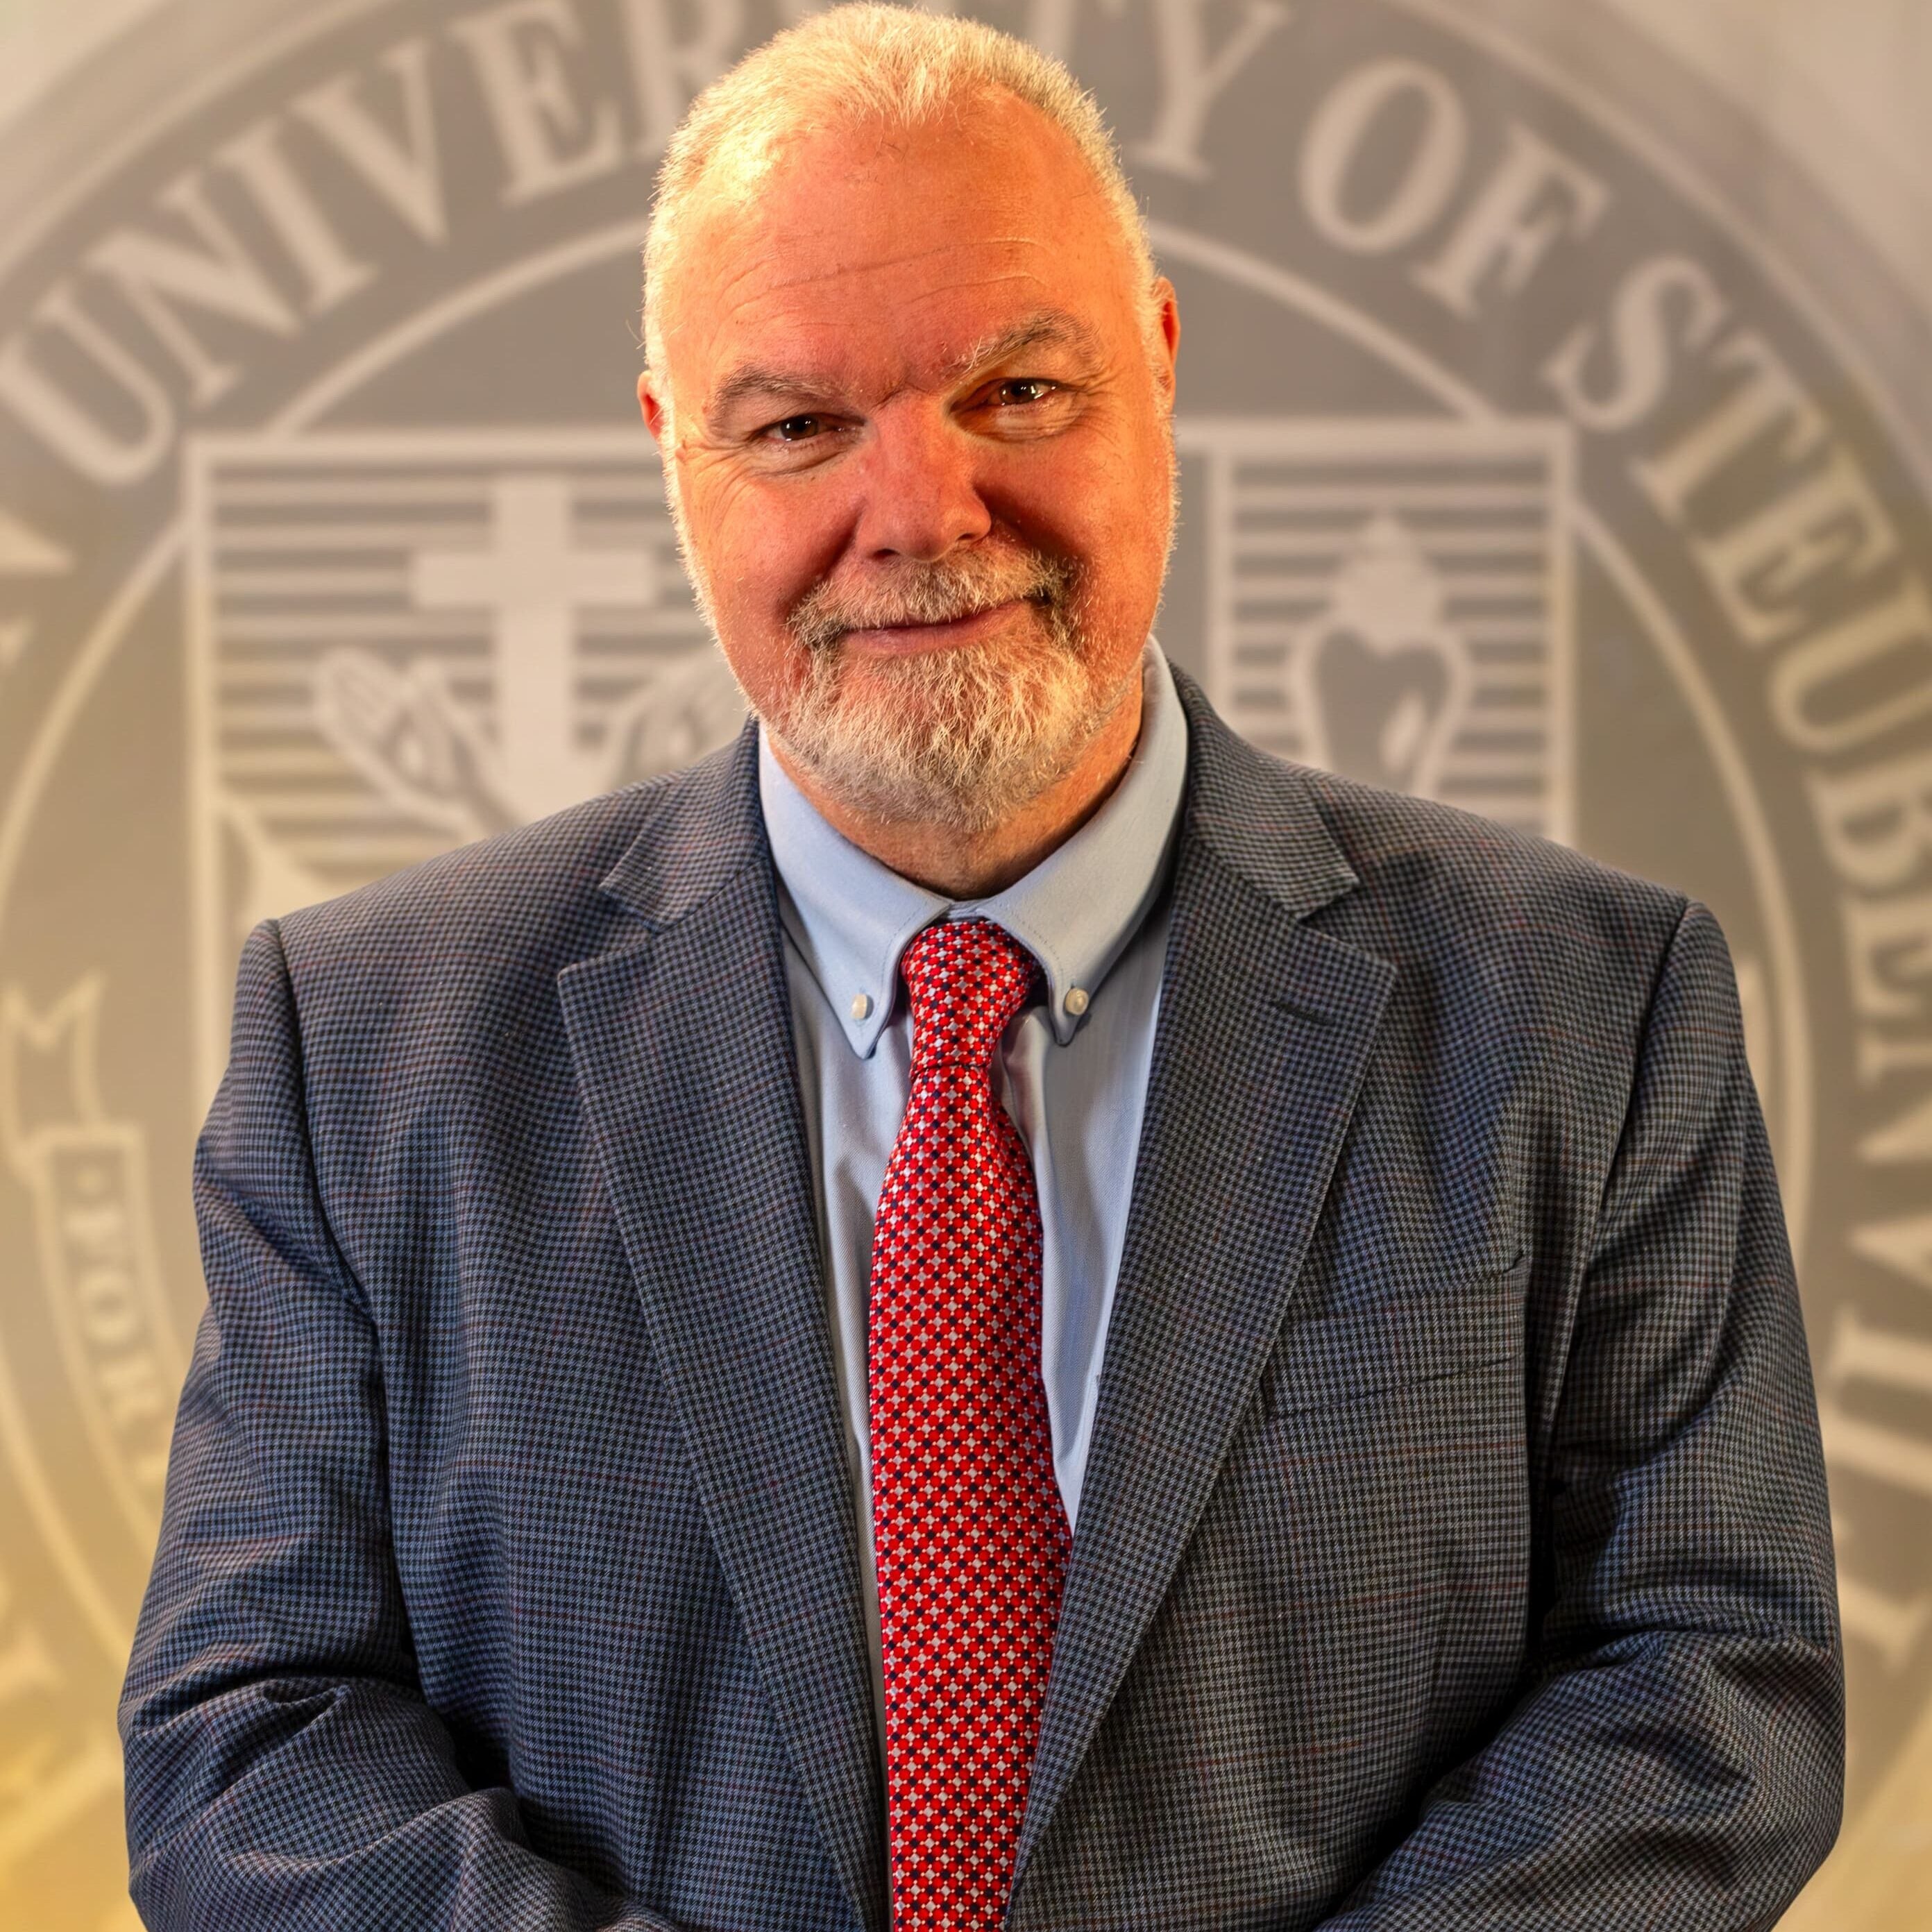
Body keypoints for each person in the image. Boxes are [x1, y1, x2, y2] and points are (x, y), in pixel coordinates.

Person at [119, 7, 1843, 1929]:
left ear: (1163, 368)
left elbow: (1704, 1691)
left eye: (1019, 392)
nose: (925, 513)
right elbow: (252, 1748)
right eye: (798, 426)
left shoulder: (1588, 1010)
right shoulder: (363, 1050)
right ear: (670, 454)